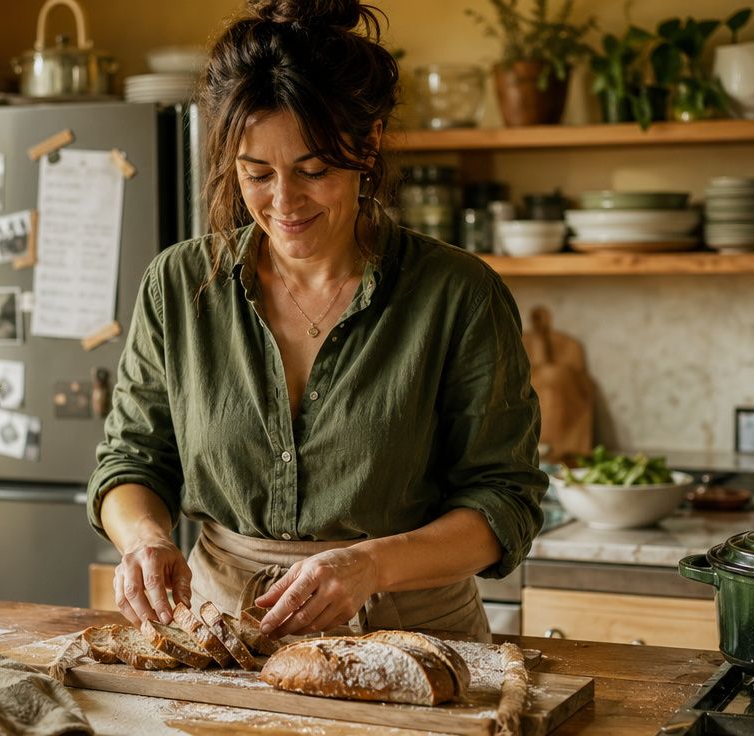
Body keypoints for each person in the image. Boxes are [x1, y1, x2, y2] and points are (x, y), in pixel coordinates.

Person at [87, 0, 546, 639]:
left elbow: (505, 501)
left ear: (370, 143)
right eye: (256, 174)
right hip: (223, 631)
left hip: (413, 637)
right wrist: (143, 539)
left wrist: (370, 564)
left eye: (315, 170)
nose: (284, 202)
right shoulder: (180, 284)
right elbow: (132, 458)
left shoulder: (457, 294)